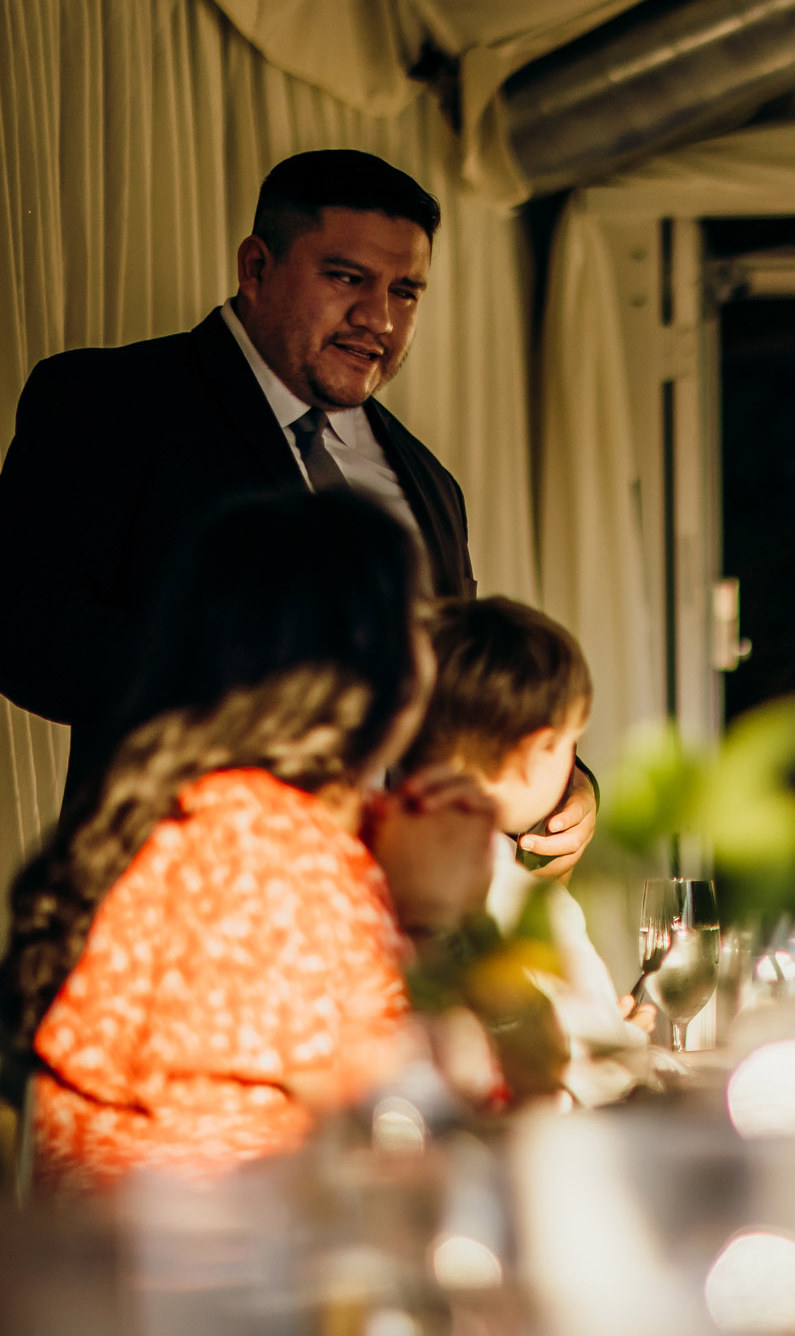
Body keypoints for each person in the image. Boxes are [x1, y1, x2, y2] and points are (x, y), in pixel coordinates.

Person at [0, 148, 595, 873]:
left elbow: (452, 688)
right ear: (255, 267)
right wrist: (260, 685)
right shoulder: (111, 402)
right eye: (347, 277)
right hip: (185, 915)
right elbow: (25, 631)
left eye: (406, 291)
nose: (378, 317)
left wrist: (561, 783)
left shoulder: (429, 480)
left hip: (389, 931)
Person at [2, 491, 495, 1191]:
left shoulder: (225, 818)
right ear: (359, 659)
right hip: (203, 1274)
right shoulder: (263, 852)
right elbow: (418, 1130)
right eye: (415, 622)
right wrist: (437, 922)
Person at [399, 596, 651, 1105]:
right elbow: (591, 1073)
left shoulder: (373, 855)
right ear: (534, 754)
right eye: (570, 744)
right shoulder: (521, 897)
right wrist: (622, 1040)